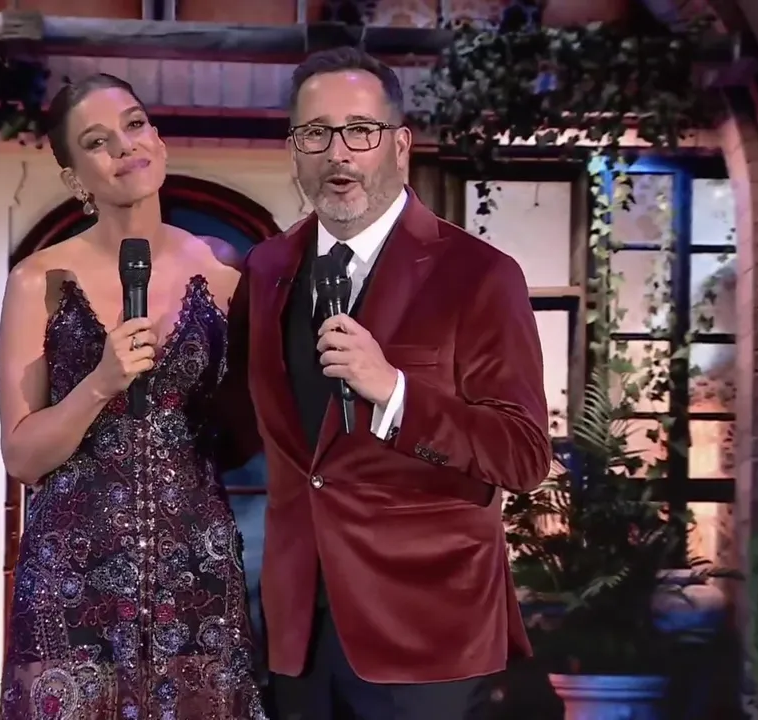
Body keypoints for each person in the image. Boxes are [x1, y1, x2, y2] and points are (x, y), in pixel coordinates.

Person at [219, 47, 552, 720]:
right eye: (316, 133)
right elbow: (237, 433)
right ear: (294, 150)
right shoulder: (267, 269)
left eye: (360, 131)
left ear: (400, 146)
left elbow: (522, 455)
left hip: (429, 631)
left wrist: (395, 392)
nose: (337, 153)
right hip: (299, 630)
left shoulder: (479, 275)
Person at [0, 73, 266, 720]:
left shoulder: (224, 275)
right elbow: (22, 457)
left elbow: (251, 425)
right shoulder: (38, 280)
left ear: (159, 141)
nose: (124, 146)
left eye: (135, 125)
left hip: (197, 569)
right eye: (97, 141)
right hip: (71, 576)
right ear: (75, 178)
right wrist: (99, 383)